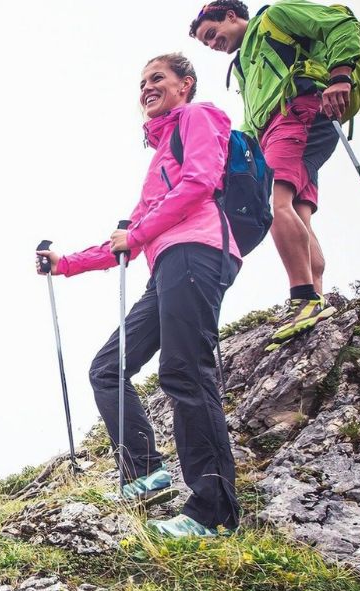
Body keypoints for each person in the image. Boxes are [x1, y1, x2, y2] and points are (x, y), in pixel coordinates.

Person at [35, 54, 241, 538]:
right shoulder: (160, 156)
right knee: (107, 368)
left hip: (197, 252)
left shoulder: (197, 116)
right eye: (142, 82)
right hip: (169, 263)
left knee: (186, 371)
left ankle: (214, 511)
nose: (147, 88)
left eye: (158, 78)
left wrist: (142, 230)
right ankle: (145, 473)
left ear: (185, 84)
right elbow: (127, 242)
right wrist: (66, 263)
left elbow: (201, 181)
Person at [191, 0, 360, 350]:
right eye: (206, 43)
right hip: (278, 127)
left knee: (276, 206)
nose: (213, 44)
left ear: (230, 15)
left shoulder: (273, 17)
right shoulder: (244, 63)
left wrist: (340, 76)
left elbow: (338, 24)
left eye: (212, 34)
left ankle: (303, 300)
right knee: (298, 211)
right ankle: (316, 296)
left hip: (296, 112)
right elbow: (253, 120)